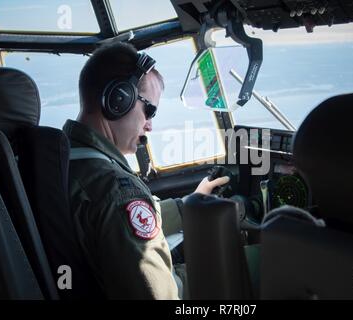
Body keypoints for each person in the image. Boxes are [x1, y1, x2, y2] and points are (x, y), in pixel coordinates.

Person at [63, 42, 229, 299]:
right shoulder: (116, 189)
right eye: (149, 110)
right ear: (118, 99)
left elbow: (110, 218)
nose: (150, 125)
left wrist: (186, 207)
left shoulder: (63, 160)